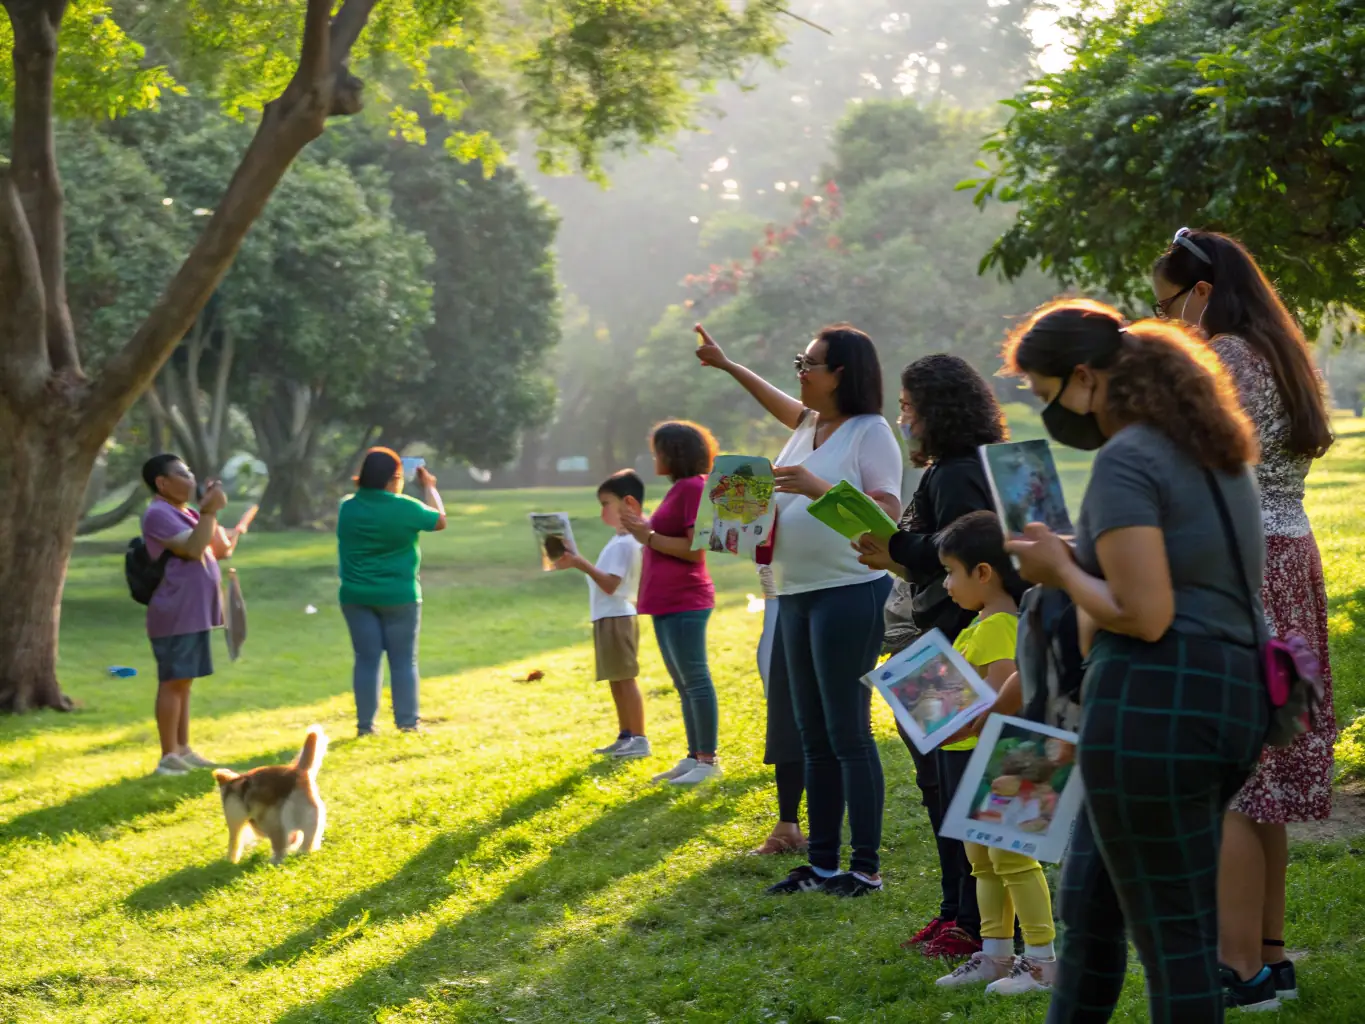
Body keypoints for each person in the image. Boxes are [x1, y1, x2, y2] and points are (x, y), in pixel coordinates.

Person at [1002, 299, 1273, 1020]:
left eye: (1043, 392)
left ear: (1085, 377)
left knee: (1175, 947)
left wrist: (1059, 570)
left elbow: (1142, 613)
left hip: (1158, 707)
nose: (1046, 412)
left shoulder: (1129, 457)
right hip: (1230, 697)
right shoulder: (1208, 448)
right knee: (1089, 909)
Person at [1154, 228, 1336, 1003]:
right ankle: (1269, 955)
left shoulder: (1222, 357)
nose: (1162, 320)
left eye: (1164, 304)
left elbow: (1176, 464)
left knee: (1227, 779)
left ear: (1199, 292)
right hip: (1290, 555)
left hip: (1237, 563)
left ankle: (1237, 970)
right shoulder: (1277, 350)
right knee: (1263, 782)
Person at [694, 322, 902, 897]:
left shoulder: (869, 432)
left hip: (847, 594)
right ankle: (824, 864)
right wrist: (730, 365)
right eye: (799, 363)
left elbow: (887, 517)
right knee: (811, 734)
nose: (801, 373)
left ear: (842, 375)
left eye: (810, 364)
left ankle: (864, 868)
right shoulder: (811, 423)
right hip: (794, 595)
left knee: (847, 732)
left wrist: (816, 490)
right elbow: (779, 402)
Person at [855, 354, 1008, 955]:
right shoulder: (955, 467)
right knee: (938, 785)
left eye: (911, 408)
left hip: (950, 649)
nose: (903, 419)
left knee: (955, 789)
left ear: (938, 410)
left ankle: (973, 924)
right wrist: (894, 556)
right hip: (933, 645)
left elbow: (962, 548)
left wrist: (898, 542)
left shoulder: (958, 473)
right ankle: (956, 913)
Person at [929, 511, 1056, 996]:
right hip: (970, 755)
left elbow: (1006, 693)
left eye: (951, 572)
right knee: (982, 861)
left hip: (1000, 758)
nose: (946, 584)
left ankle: (1043, 961)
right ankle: (996, 954)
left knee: (1013, 860)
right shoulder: (978, 624)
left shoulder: (1000, 624)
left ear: (983, 573)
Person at [620, 421, 721, 786]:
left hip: (685, 598)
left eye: (658, 450)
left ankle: (708, 760)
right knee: (683, 683)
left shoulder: (693, 488)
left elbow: (695, 549)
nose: (654, 457)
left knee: (695, 679)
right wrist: (641, 523)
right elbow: (667, 536)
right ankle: (694, 756)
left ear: (674, 453)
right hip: (665, 600)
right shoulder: (680, 488)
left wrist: (644, 533)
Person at [140, 454, 243, 776]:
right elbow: (193, 549)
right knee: (172, 681)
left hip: (195, 611)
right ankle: (168, 755)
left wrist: (217, 516)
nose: (191, 479)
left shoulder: (186, 512)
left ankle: (183, 748)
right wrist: (209, 511)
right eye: (183, 474)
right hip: (174, 611)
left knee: (184, 681)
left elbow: (219, 550)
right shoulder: (158, 514)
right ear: (162, 482)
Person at [336, 448, 447, 737]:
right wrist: (429, 488)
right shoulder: (406, 507)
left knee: (366, 659)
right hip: (400, 596)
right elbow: (439, 520)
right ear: (393, 478)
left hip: (356, 596)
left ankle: (365, 727)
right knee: (402, 661)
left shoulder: (347, 507)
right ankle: (407, 723)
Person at [554, 470, 649, 760]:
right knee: (616, 678)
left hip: (617, 616)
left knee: (625, 678)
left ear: (628, 504)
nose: (602, 511)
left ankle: (640, 738)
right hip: (608, 617)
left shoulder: (625, 543)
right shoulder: (619, 540)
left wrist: (580, 563)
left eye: (606, 503)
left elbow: (610, 584)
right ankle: (626, 735)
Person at [750, 562, 808, 855]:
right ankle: (788, 823)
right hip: (779, 597)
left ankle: (829, 830)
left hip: (831, 592)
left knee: (833, 720)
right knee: (785, 719)